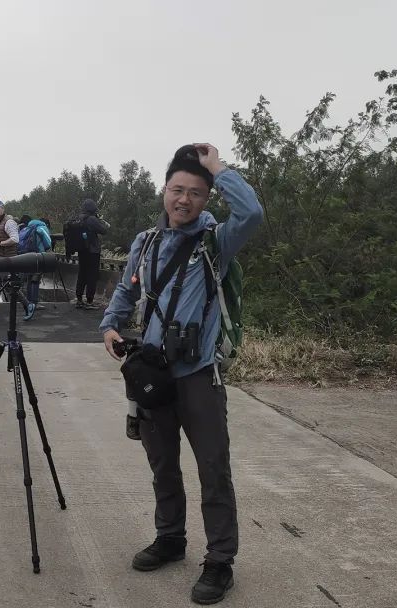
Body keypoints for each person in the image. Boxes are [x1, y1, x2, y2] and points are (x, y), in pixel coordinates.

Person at [99, 143, 263, 605]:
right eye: (177, 189)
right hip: (153, 371)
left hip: (198, 374)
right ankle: (170, 538)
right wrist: (110, 325)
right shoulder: (146, 243)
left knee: (213, 468)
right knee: (162, 465)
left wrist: (219, 168)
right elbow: (125, 293)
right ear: (164, 191)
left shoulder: (216, 243)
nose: (184, 199)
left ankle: (220, 560)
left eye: (195, 192)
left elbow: (251, 213)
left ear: (207, 198)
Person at [71, 198, 110, 309]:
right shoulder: (92, 219)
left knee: (82, 274)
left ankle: (79, 299)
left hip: (82, 251)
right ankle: (89, 301)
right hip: (92, 252)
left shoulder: (79, 218)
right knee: (92, 276)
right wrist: (100, 221)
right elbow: (104, 230)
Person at [18, 217, 52, 320]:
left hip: (26, 256)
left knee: (29, 279)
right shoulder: (42, 228)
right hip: (38, 257)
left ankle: (28, 301)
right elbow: (48, 243)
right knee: (35, 280)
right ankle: (34, 303)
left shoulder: (26, 228)